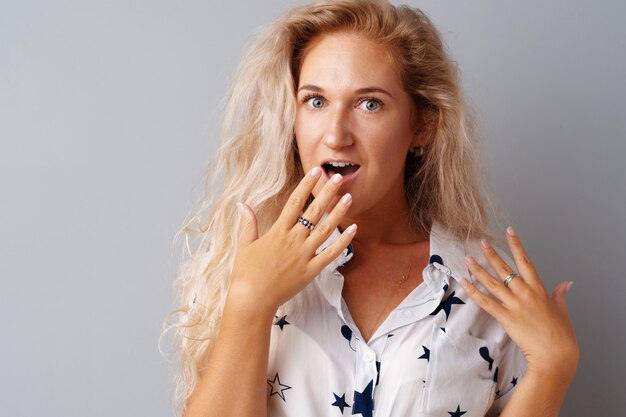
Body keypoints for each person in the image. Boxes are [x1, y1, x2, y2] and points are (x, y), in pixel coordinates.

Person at [161, 1, 579, 416]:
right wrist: (249, 302)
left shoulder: (484, 287)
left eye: (369, 104)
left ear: (422, 126)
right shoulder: (245, 265)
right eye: (316, 101)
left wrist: (552, 368)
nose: (336, 134)